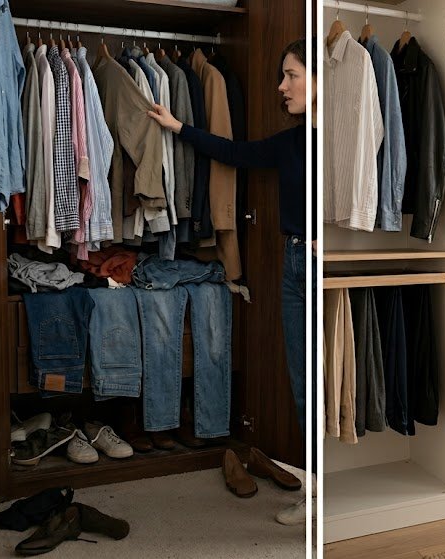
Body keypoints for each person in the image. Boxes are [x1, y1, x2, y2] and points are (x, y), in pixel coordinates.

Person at [148, 39, 316, 527]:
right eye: (282, 76)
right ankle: (316, 496)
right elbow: (235, 153)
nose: (282, 87)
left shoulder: (341, 139)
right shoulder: (291, 142)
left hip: (323, 265)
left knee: (333, 381)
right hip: (292, 263)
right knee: (302, 384)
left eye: (291, 75)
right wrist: (179, 127)